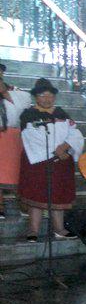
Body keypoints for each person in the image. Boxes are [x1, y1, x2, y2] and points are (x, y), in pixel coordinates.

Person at [18, 78, 84, 242]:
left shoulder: (62, 114)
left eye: (50, 95)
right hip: (38, 162)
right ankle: (33, 230)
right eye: (43, 95)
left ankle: (59, 229)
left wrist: (66, 146)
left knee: (58, 195)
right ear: (36, 97)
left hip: (61, 162)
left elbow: (75, 133)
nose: (47, 99)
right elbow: (31, 137)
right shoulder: (29, 115)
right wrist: (57, 150)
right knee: (36, 196)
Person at [0, 67, 32, 219]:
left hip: (13, 137)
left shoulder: (15, 90)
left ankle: (24, 205)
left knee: (17, 172)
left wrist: (5, 94)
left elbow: (24, 108)